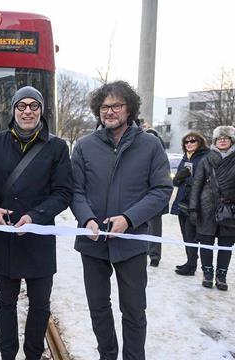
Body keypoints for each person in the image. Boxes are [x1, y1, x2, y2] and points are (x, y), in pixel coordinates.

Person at [70, 81, 172, 360]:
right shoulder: (84, 146)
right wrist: (86, 219)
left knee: (134, 310)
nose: (110, 111)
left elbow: (162, 190)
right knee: (98, 308)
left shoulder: (150, 145)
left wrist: (129, 219)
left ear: (130, 109)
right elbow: (75, 190)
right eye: (105, 107)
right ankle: (107, 355)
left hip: (132, 242)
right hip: (92, 242)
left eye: (117, 105)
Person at [0, 86, 73, 360]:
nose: (27, 111)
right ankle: (7, 354)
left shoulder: (56, 147)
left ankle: (33, 354)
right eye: (22, 106)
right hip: (5, 238)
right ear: (14, 110)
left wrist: (36, 216)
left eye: (34, 106)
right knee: (5, 302)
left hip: (39, 239)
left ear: (41, 111)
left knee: (40, 304)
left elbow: (63, 192)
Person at [189, 126, 235, 291]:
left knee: (225, 244)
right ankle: (207, 274)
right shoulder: (206, 159)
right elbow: (196, 185)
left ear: (231, 140)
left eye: (226, 138)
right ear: (215, 141)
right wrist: (193, 209)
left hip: (230, 207)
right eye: (219, 138)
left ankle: (221, 276)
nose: (222, 140)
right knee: (206, 242)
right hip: (206, 207)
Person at [171, 131, 209, 276]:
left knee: (191, 234)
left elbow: (204, 182)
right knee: (185, 235)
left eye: (193, 141)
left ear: (200, 142)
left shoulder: (205, 157)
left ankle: (192, 265)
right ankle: (190, 261)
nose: (189, 144)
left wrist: (186, 178)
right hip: (182, 201)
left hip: (195, 203)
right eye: (186, 142)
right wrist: (180, 177)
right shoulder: (185, 157)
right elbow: (176, 181)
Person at [143, 127, 168, 267]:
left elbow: (164, 184)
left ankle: (154, 255)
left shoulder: (160, 158)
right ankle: (145, 250)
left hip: (154, 199)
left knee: (155, 228)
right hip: (139, 199)